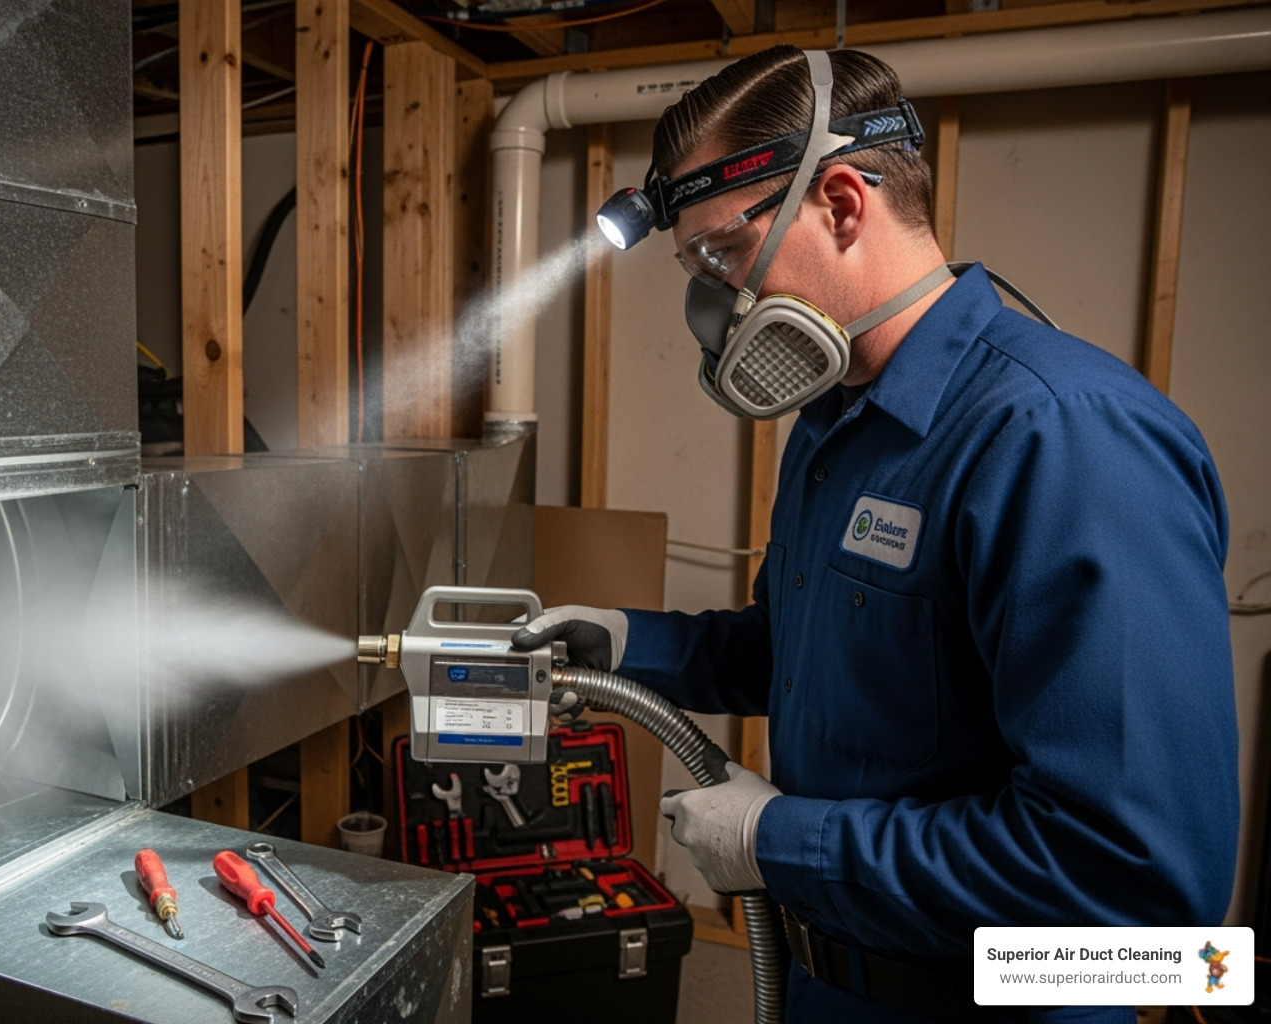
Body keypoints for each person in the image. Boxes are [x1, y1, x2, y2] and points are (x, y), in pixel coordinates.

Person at [515, 45, 1237, 1024]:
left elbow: (1139, 888)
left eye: (723, 255)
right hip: (824, 981)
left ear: (843, 203)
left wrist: (780, 839)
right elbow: (803, 652)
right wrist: (632, 644)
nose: (715, 307)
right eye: (697, 266)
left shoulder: (1062, 435)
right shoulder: (833, 427)